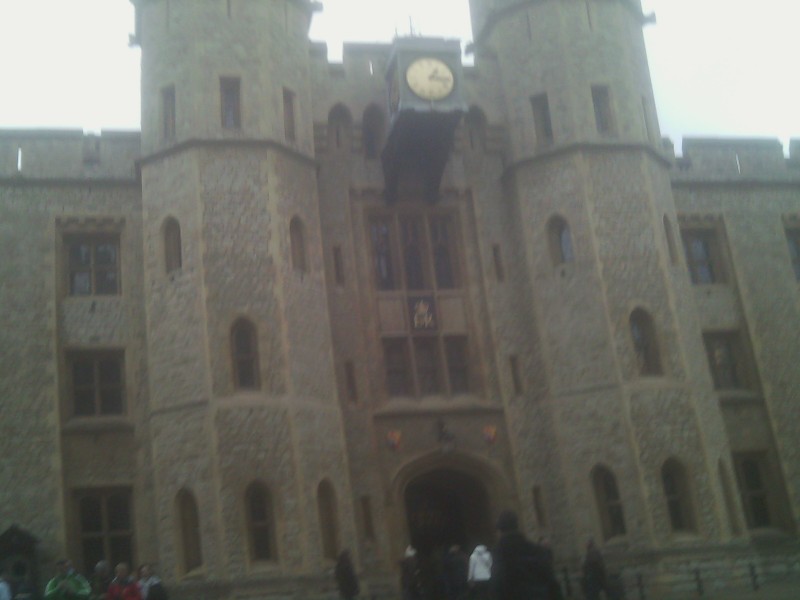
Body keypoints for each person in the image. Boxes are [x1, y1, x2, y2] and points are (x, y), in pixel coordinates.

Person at [490, 510, 563, 600]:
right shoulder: (536, 550)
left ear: (500, 531)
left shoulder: (499, 553)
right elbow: (551, 581)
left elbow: (498, 585)